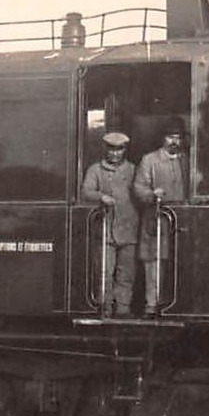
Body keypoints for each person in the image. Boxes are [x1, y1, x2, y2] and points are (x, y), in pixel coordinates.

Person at [133, 120, 189, 315]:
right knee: (153, 263)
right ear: (162, 138)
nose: (174, 141)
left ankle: (173, 306)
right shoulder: (149, 160)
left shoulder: (187, 160)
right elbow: (139, 188)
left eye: (178, 137)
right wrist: (151, 194)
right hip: (156, 219)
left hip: (181, 222)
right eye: (170, 137)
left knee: (177, 262)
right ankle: (151, 305)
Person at [80, 131, 138, 316]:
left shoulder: (133, 170)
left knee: (126, 274)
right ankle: (105, 309)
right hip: (106, 230)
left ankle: (122, 310)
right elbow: (86, 191)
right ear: (105, 149)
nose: (115, 153)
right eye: (111, 149)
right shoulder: (95, 170)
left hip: (129, 229)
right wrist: (101, 196)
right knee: (105, 271)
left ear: (125, 150)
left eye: (119, 149)